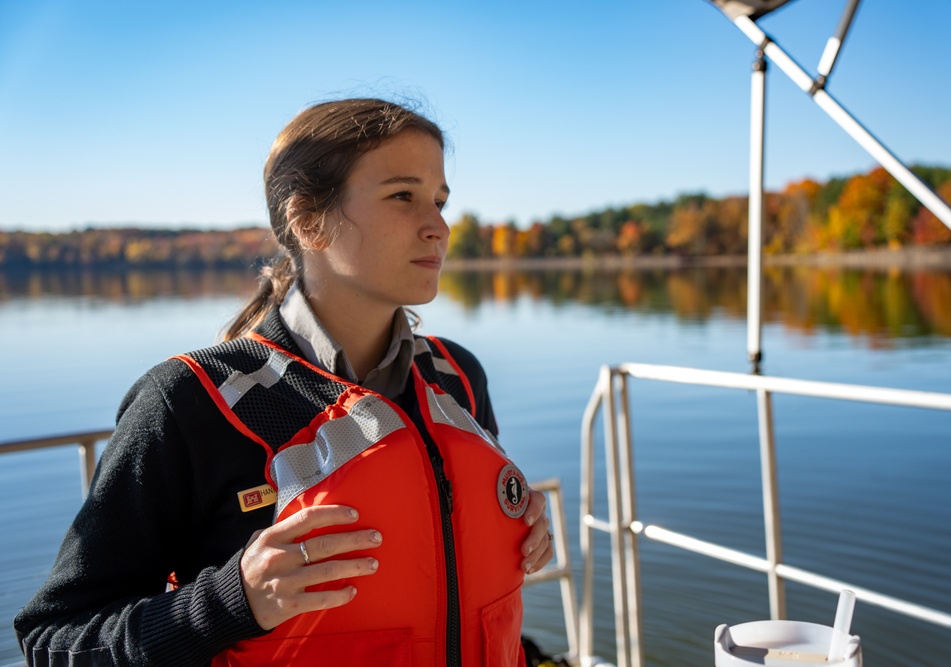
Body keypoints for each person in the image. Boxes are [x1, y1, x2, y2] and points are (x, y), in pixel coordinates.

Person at [14, 98, 554, 666]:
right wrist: (232, 601)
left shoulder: (458, 377)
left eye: (441, 201)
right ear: (307, 220)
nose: (439, 227)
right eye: (403, 196)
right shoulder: (187, 403)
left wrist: (521, 526)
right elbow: (57, 640)